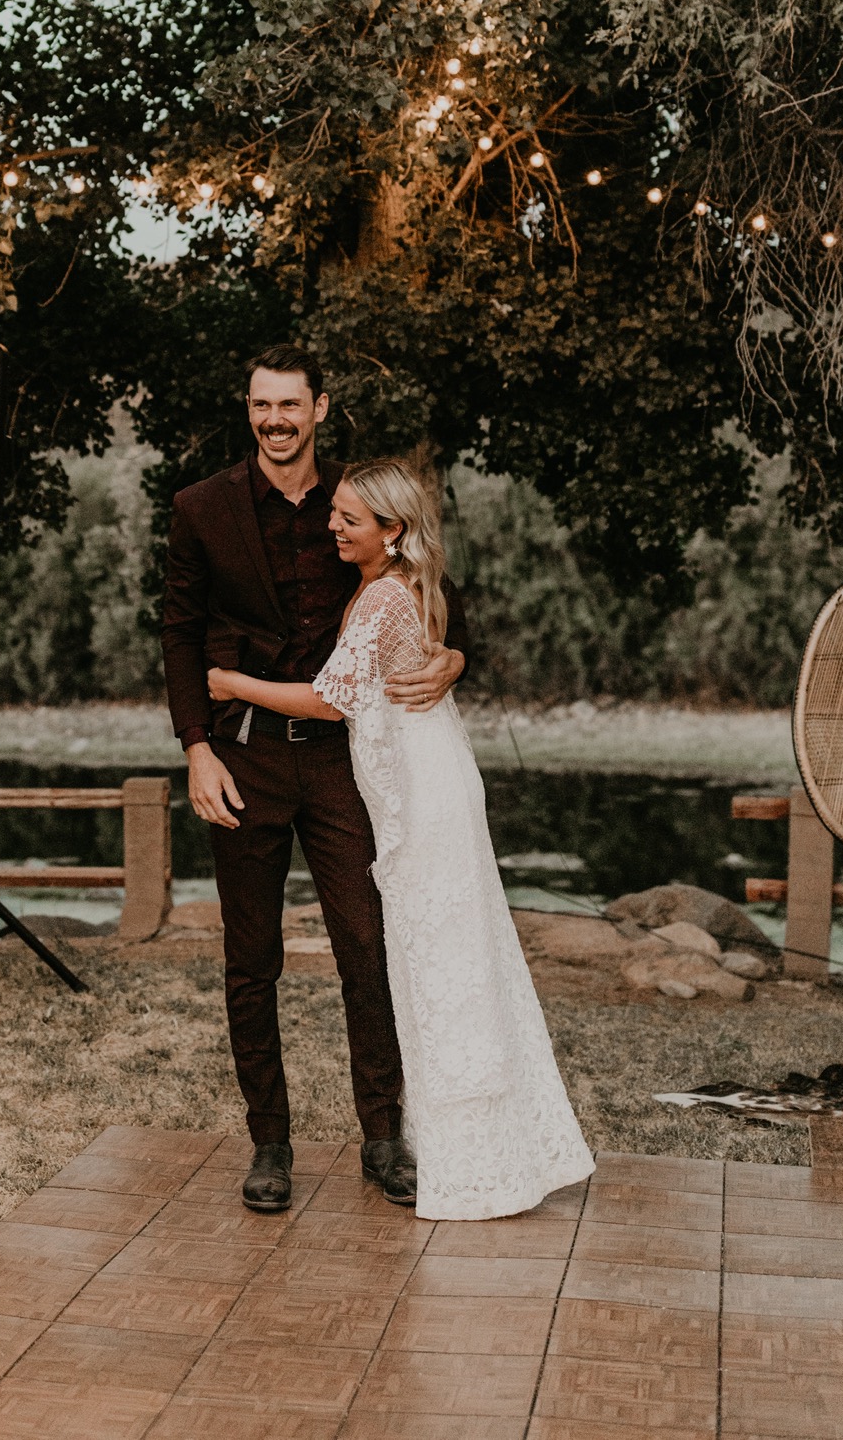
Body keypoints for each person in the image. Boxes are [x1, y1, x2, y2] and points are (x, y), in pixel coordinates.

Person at [207, 456, 593, 1222]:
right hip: (411, 786)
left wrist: (228, 684)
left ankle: (448, 1143)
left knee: (430, 964)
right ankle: (449, 1136)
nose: (332, 528)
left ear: (392, 529)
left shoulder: (385, 595)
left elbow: (328, 700)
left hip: (420, 799)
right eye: (335, 515)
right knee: (438, 964)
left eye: (348, 520)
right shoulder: (390, 582)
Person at [161, 346, 471, 1214]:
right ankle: (270, 1142)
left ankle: (383, 1135)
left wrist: (453, 657)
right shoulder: (200, 509)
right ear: (248, 408)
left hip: (346, 764)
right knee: (249, 959)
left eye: (290, 405)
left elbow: (435, 591)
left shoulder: (360, 502)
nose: (275, 420)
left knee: (367, 947)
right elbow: (179, 633)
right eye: (261, 405)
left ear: (320, 408)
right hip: (245, 758)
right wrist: (196, 747)